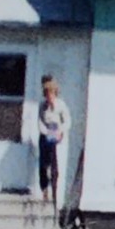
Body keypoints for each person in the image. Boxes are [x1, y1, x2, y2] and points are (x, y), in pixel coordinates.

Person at [37, 75, 70, 205]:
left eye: (51, 94)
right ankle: (44, 189)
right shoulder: (42, 106)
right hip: (46, 133)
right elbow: (40, 122)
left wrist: (59, 131)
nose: (49, 97)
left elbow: (67, 121)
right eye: (47, 94)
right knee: (43, 164)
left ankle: (54, 190)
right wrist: (46, 132)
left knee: (54, 163)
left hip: (56, 132)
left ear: (55, 93)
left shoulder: (60, 105)